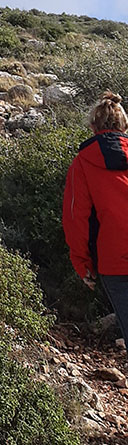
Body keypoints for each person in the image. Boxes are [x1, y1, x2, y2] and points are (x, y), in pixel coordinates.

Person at [63, 91, 128, 345]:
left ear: (93, 127)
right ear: (124, 126)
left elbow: (75, 218)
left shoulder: (82, 164)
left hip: (114, 262)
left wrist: (82, 263)